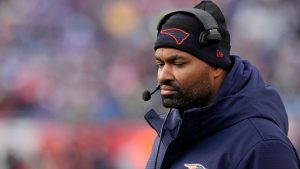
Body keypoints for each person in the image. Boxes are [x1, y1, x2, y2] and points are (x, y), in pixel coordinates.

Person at [143, 1, 300, 169]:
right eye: (160, 64)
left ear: (216, 66)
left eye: (179, 63)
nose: (163, 76)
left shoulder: (263, 145)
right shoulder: (171, 132)